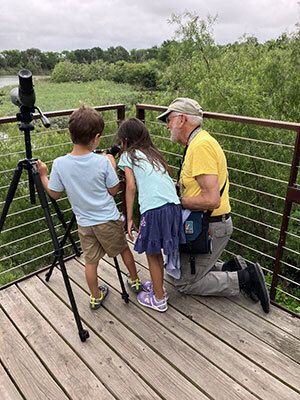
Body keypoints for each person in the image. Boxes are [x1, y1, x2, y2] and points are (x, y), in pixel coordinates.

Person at [157, 97, 270, 313]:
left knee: (184, 283)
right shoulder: (196, 143)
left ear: (182, 119)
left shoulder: (200, 147)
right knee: (174, 271)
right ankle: (231, 267)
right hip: (205, 223)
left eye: (169, 120)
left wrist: (176, 202)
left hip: (210, 227)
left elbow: (211, 200)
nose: (167, 125)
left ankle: (245, 278)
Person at [37, 105, 142, 310]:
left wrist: (42, 175)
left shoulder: (59, 164)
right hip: (108, 220)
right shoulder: (102, 162)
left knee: (90, 261)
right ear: (96, 137)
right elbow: (113, 190)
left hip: (84, 223)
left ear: (71, 135)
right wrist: (111, 164)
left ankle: (95, 295)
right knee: (122, 249)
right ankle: (135, 280)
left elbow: (55, 193)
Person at [117, 118, 185, 312]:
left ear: (126, 140)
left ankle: (159, 299)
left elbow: (130, 186)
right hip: (174, 206)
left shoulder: (128, 156)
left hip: (155, 210)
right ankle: (158, 287)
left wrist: (129, 218)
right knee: (157, 251)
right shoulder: (153, 154)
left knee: (152, 253)